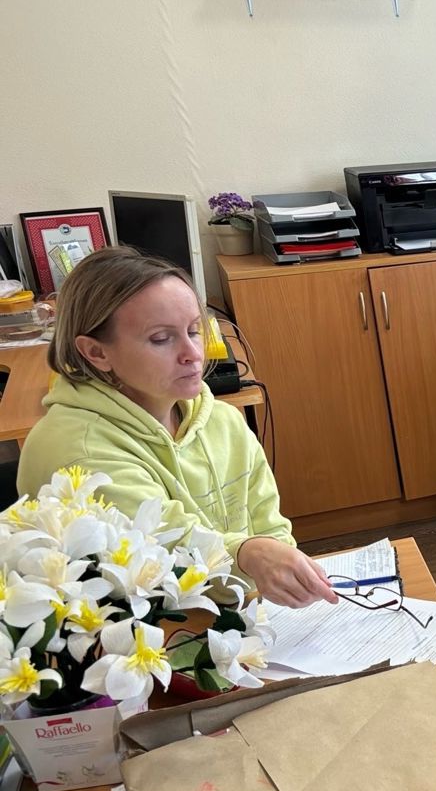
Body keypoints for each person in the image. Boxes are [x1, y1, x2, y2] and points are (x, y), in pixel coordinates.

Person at [17, 247, 337, 609]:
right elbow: (164, 558)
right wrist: (249, 555)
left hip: (237, 610)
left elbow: (269, 525)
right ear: (96, 352)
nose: (193, 354)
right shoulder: (78, 452)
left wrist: (278, 563)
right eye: (161, 338)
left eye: (194, 331)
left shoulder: (222, 420)